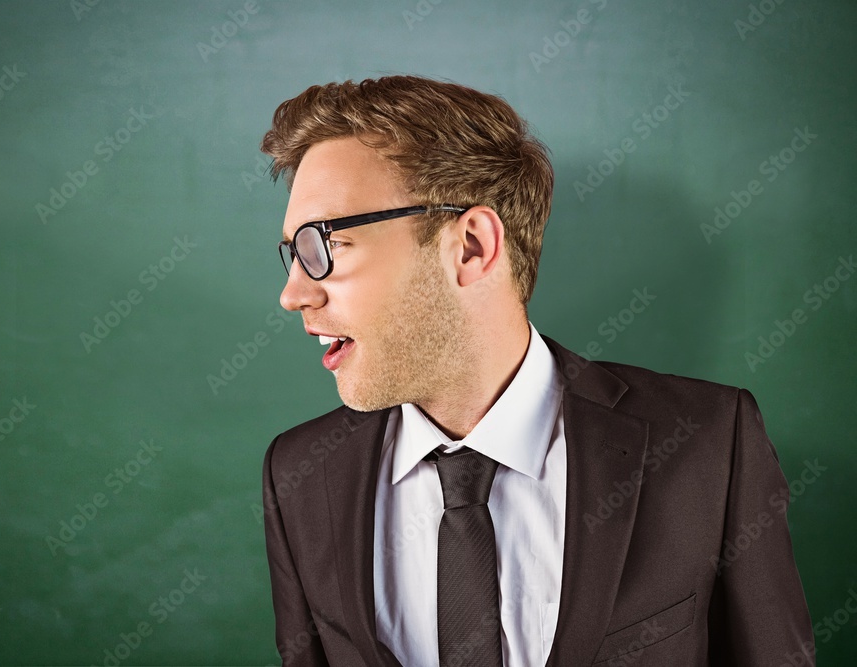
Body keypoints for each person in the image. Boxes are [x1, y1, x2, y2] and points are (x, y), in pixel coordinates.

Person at [259, 75, 814, 666]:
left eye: (325, 244)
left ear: (471, 246)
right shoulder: (299, 476)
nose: (293, 294)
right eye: (293, 253)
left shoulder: (708, 444)